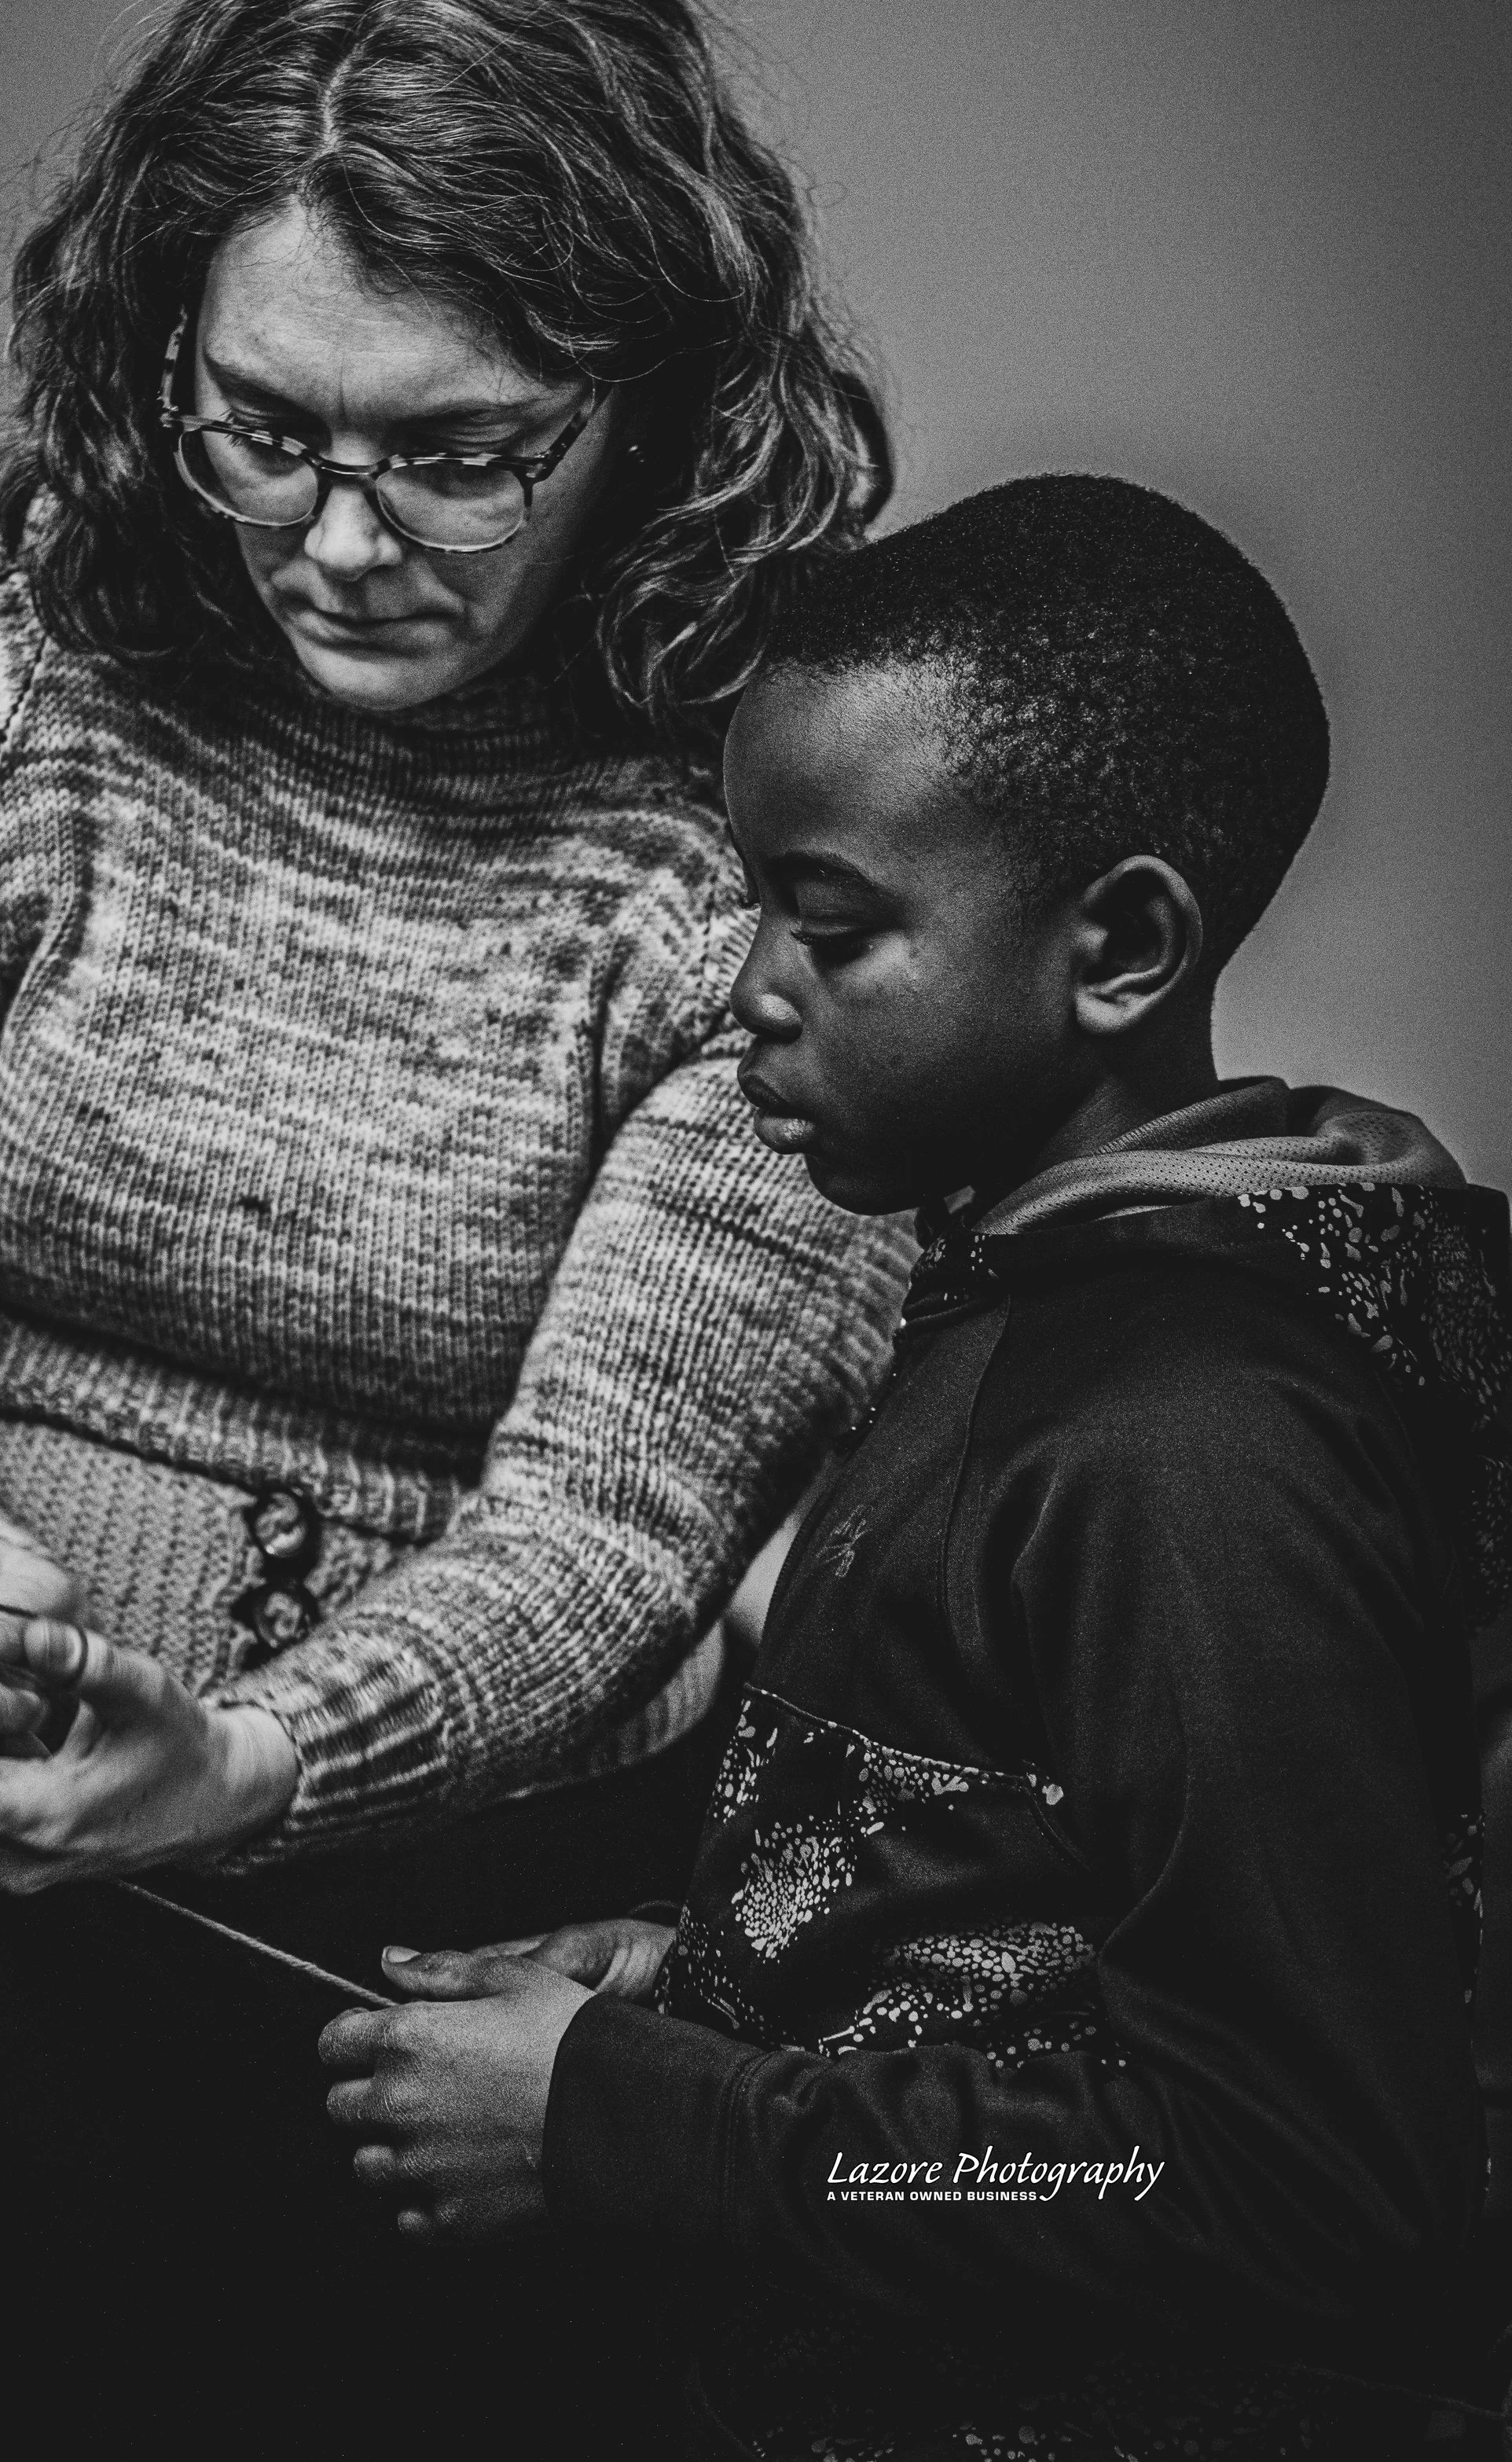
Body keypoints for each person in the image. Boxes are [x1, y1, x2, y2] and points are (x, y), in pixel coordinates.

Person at [0, 0, 916, 2457]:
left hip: (426, 1987)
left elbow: (618, 1532)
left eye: (453, 451)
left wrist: (255, 1755)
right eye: (262, 425)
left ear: (645, 411)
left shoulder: (765, 811)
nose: (335, 535)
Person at [319, 476, 1510, 2458]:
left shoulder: (1186, 1443)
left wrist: (640, 2123)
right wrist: (704, 1986)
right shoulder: (1038, 1303)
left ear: (1117, 944)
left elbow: (1286, 2181)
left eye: (835, 922)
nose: (747, 989)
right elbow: (1033, 1926)